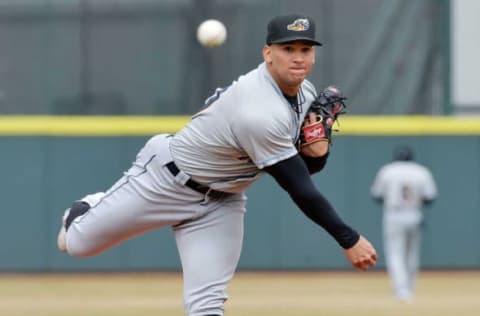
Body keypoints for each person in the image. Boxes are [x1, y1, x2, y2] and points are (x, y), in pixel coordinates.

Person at [57, 14, 377, 316]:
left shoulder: (304, 93)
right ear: (268, 53)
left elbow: (305, 168)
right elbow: (299, 187)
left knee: (207, 304)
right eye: (287, 48)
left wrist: (318, 149)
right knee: (77, 244)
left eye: (306, 49)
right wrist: (348, 238)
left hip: (222, 201)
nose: (298, 57)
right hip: (166, 180)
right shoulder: (259, 111)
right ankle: (91, 204)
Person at [370, 146, 437, 303]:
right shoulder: (421, 171)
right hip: (414, 214)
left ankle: (401, 290)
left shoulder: (387, 170)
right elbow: (430, 198)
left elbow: (376, 195)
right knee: (412, 253)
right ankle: (410, 287)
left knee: (395, 253)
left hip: (394, 214)